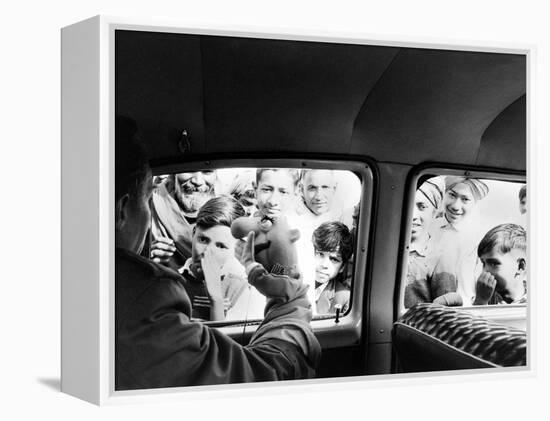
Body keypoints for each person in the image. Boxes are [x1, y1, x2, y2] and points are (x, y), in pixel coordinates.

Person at [115, 116, 320, 390]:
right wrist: (287, 298)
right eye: (146, 200)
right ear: (121, 210)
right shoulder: (145, 299)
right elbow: (266, 379)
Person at [179, 196, 264, 321]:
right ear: (193, 234)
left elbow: (224, 340)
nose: (207, 252)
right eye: (203, 240)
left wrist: (216, 300)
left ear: (236, 248)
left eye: (221, 246)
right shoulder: (173, 281)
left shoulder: (240, 289)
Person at [404, 179, 462, 308]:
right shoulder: (386, 248)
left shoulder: (439, 256)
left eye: (422, 207)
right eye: (408, 205)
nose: (413, 214)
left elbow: (445, 313)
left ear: (434, 212)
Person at [433, 176, 489, 305]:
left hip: (465, 312)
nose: (455, 206)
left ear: (474, 203)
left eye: (465, 199)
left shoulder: (480, 238)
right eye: (452, 195)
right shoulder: (427, 229)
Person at [149, 170, 217, 271]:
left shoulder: (223, 210)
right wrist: (147, 260)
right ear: (174, 172)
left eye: (207, 171)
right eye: (189, 170)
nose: (198, 181)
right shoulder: (152, 203)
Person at [473, 224, 527, 305]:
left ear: (520, 267)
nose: (485, 271)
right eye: (483, 263)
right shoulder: (484, 297)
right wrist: (480, 301)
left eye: (494, 263)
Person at [312, 222, 353, 314]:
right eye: (320, 254)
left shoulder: (345, 299)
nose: (324, 265)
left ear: (342, 267)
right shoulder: (291, 280)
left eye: (334, 259)